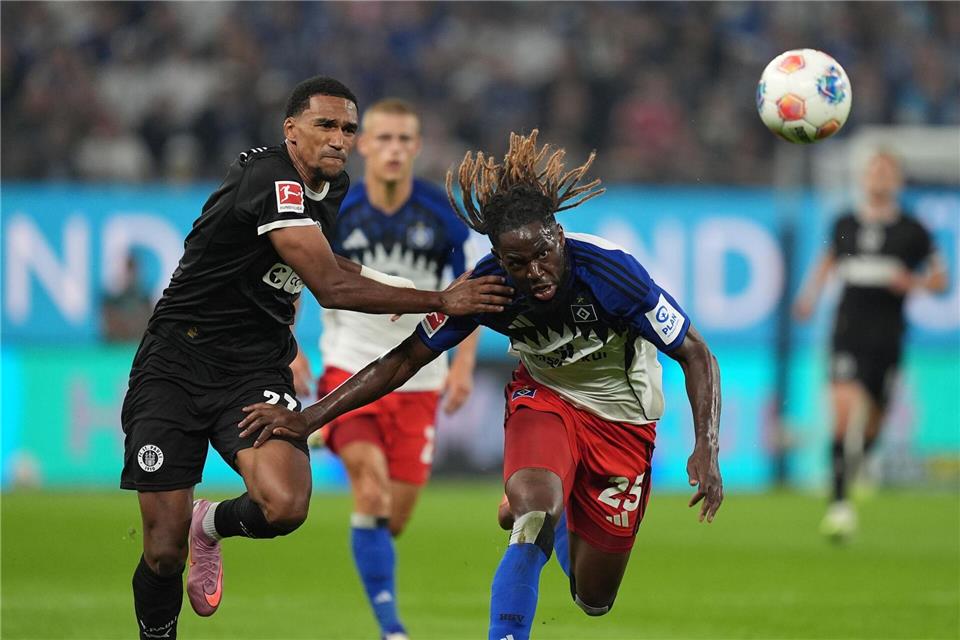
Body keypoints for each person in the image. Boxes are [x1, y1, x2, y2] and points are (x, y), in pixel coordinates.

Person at [240, 130, 724, 640]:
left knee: (593, 598)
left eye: (542, 254)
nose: (534, 273)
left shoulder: (611, 273)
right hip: (546, 399)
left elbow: (695, 352)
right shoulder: (488, 286)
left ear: (558, 234)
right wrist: (309, 418)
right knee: (533, 515)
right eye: (517, 264)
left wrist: (706, 448)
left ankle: (557, 508)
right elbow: (404, 360)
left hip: (624, 419)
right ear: (498, 257)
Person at [119, 75, 512, 640]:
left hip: (253, 370)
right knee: (161, 550)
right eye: (325, 125)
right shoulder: (269, 177)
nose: (339, 139)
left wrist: (387, 283)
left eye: (349, 128)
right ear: (291, 131)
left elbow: (328, 262)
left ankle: (211, 523)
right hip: (176, 365)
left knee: (285, 505)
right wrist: (436, 298)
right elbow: (327, 284)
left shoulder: (331, 187)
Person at [293, 98, 481, 640]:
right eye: (384, 139)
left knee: (391, 519)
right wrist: (292, 347)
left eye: (405, 140)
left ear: (415, 148)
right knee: (370, 493)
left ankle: (370, 545)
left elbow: (469, 297)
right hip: (350, 366)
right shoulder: (336, 208)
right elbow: (289, 272)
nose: (395, 149)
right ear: (365, 145)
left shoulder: (442, 214)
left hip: (420, 376)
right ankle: (391, 629)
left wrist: (462, 367)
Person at [793, 150, 948, 541]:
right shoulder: (845, 222)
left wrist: (911, 283)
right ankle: (840, 505)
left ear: (897, 181)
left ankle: (859, 461)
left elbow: (941, 280)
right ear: (864, 179)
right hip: (847, 331)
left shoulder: (913, 230)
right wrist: (809, 297)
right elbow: (827, 262)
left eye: (886, 172)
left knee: (875, 420)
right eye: (873, 171)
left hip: (888, 336)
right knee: (843, 415)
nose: (878, 178)